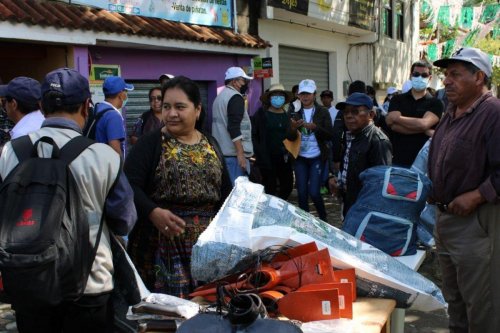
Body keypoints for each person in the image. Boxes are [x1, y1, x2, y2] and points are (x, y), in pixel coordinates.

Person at [0, 68, 137, 333]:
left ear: (41, 106)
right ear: (87, 106)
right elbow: (124, 220)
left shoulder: (9, 152)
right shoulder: (104, 156)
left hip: (28, 279)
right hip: (90, 282)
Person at [124, 76, 232, 298]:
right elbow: (128, 185)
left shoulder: (211, 143)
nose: (171, 113)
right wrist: (153, 212)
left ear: (198, 109)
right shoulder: (150, 144)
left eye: (180, 107)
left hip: (206, 248)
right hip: (160, 244)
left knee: (207, 309)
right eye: (166, 107)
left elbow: (225, 192)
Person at [428, 47, 500, 333]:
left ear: (479, 77)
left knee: (483, 308)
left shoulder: (493, 113)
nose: (446, 80)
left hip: (477, 224)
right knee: (454, 303)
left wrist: (478, 194)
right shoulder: (451, 113)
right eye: (446, 74)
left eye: (455, 74)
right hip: (446, 222)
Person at [329, 92, 392, 217]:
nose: (349, 116)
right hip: (349, 202)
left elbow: (380, 184)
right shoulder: (351, 135)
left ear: (371, 115)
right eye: (346, 112)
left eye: (355, 111)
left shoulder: (378, 141)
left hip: (364, 208)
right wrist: (339, 183)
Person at [287, 79, 333, 222]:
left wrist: (315, 128)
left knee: (314, 191)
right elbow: (288, 137)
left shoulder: (323, 111)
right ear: (298, 96)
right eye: (302, 94)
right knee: (301, 192)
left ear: (314, 94)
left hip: (317, 156)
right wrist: (293, 128)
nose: (305, 97)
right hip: (300, 156)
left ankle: (324, 219)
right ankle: (305, 223)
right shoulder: (294, 111)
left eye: (308, 94)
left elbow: (329, 134)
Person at [385, 60, 444, 167]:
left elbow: (423, 124)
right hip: (398, 160)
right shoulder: (397, 99)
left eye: (424, 75)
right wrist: (425, 131)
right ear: (411, 76)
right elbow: (392, 126)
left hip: (425, 164)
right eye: (416, 74)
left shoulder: (436, 103)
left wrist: (397, 118)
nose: (420, 77)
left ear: (430, 78)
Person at [211, 66, 253, 185]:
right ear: (234, 81)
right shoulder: (235, 97)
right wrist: (240, 154)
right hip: (234, 156)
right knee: (237, 196)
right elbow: (233, 127)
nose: (245, 84)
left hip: (223, 154)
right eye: (243, 80)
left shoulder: (220, 97)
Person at [251, 83, 294, 200]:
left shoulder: (287, 115)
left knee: (287, 185)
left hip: (284, 157)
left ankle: (280, 204)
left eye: (281, 95)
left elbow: (291, 136)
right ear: (269, 98)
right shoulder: (261, 114)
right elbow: (254, 135)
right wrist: (258, 153)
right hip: (266, 157)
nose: (278, 97)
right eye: (275, 95)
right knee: (269, 186)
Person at [94, 76, 134, 157]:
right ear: (121, 94)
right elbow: (115, 149)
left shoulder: (98, 108)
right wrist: (121, 168)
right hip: (109, 166)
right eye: (126, 92)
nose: (126, 95)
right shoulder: (113, 116)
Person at [320, 89, 338, 193]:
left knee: (333, 164)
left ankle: (335, 186)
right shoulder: (318, 111)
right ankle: (323, 185)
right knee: (323, 164)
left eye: (328, 97)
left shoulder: (336, 111)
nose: (326, 100)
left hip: (332, 141)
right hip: (322, 142)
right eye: (324, 98)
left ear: (331, 99)